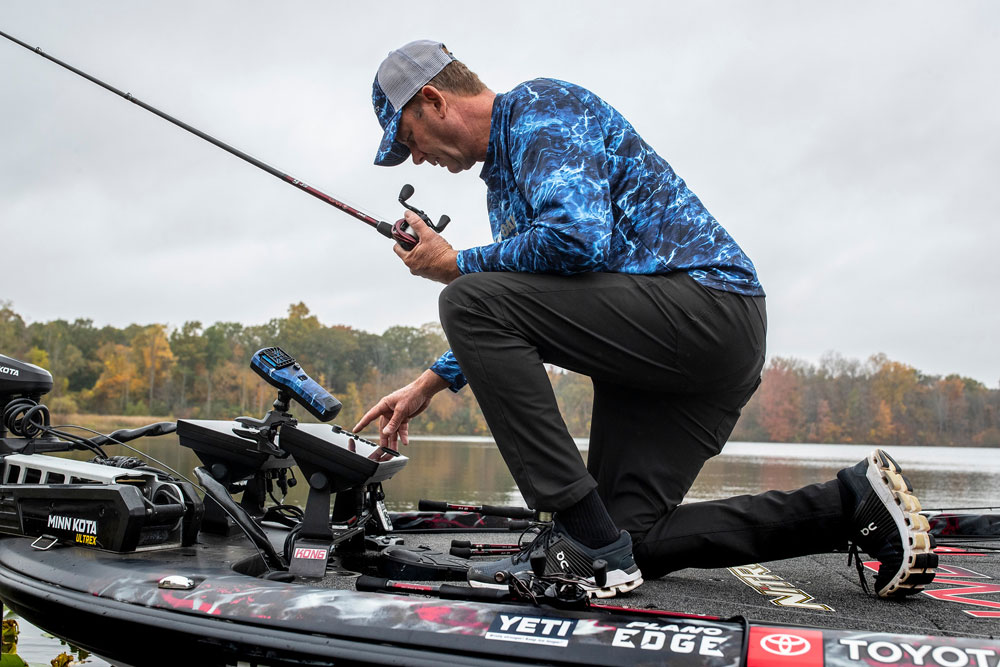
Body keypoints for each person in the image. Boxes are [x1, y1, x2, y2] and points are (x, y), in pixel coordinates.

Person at [354, 40, 937, 598]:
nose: (420, 159)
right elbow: (525, 303)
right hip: (671, 356)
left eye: (411, 140)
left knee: (465, 296)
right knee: (628, 540)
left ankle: (578, 529)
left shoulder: (540, 108)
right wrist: (429, 383)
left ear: (434, 100)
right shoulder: (504, 179)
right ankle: (849, 505)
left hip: (707, 310)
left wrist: (456, 263)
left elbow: (575, 243)